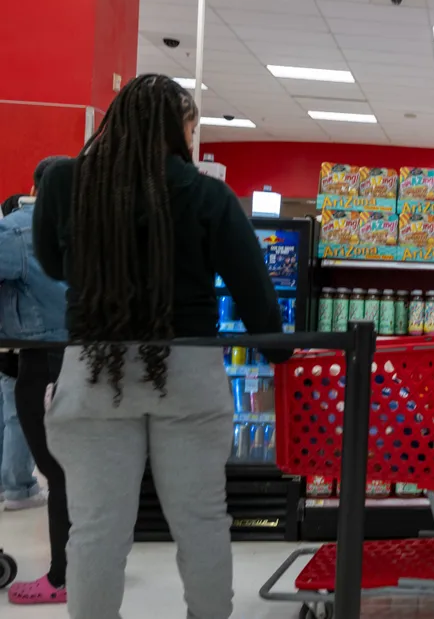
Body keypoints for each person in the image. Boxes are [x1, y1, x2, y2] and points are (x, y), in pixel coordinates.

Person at [33, 73, 286, 619]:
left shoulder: (64, 182)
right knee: (201, 520)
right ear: (183, 127)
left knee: (97, 527)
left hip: (94, 365)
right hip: (188, 368)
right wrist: (283, 353)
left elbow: (54, 267)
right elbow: (254, 292)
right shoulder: (206, 194)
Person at [0, 165, 73, 605]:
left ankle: (62, 577)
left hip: (41, 362)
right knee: (82, 473)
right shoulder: (99, 227)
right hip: (93, 360)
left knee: (57, 472)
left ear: (33, 190)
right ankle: (91, 563)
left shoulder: (18, 229)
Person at [0, 192, 47, 515]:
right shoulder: (30, 236)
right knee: (18, 418)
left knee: (9, 415)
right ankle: (17, 485)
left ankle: (10, 483)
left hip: (10, 340)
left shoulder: (10, 235)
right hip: (31, 343)